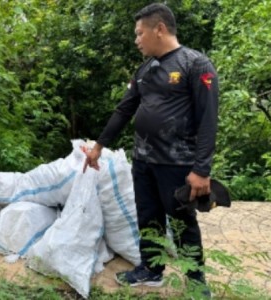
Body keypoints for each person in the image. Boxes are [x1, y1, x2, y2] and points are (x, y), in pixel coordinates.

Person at [83, 3, 218, 297]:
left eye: (140, 33)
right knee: (148, 217)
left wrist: (201, 169)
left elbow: (208, 119)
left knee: (182, 222)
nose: (136, 39)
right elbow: (124, 110)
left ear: (159, 29)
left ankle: (196, 281)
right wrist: (98, 147)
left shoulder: (195, 64)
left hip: (177, 162)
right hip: (143, 160)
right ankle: (151, 270)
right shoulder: (145, 69)